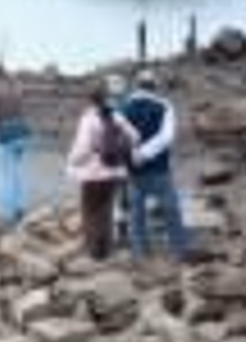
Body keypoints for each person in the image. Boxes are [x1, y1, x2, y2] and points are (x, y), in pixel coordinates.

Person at [121, 70, 191, 261]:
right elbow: (167, 137)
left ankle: (140, 253)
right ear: (154, 85)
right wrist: (145, 153)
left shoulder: (124, 106)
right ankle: (178, 250)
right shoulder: (164, 106)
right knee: (171, 209)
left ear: (137, 84)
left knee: (136, 214)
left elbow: (120, 136)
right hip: (159, 167)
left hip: (133, 169)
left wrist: (133, 155)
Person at [67, 81, 141, 261]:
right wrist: (121, 148)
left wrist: (72, 161)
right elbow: (136, 136)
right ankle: (106, 249)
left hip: (93, 173)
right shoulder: (116, 116)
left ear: (89, 99)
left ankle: (94, 251)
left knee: (90, 212)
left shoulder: (88, 118)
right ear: (106, 97)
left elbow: (83, 149)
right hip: (113, 171)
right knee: (106, 211)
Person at [0, 64, 31, 224]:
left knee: (5, 175)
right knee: (16, 173)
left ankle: (7, 213)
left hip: (6, 134)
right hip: (22, 133)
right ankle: (19, 207)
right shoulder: (16, 87)